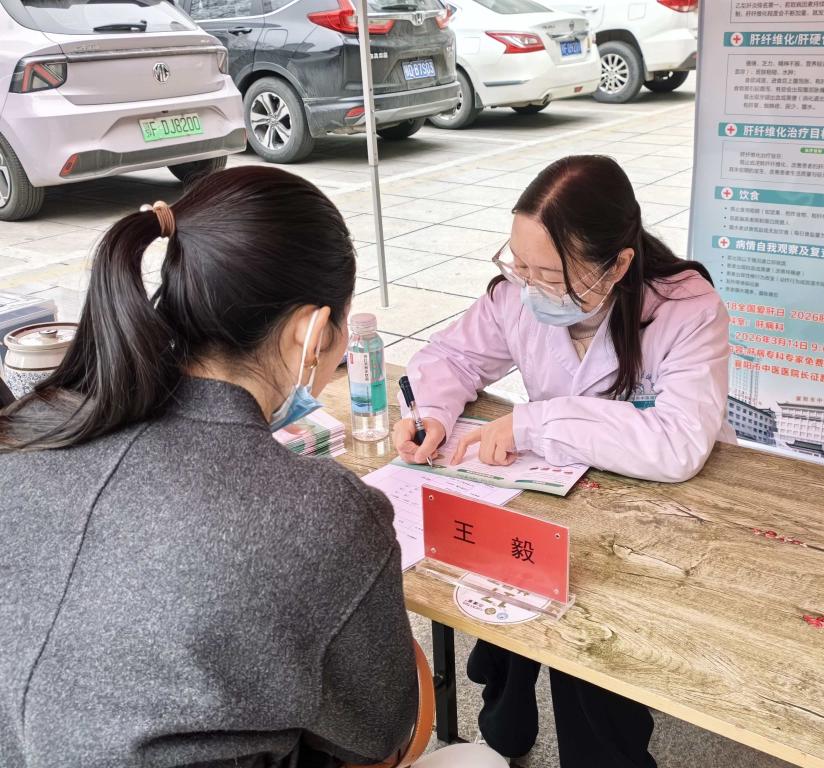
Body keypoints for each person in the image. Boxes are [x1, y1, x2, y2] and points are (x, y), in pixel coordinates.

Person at [0, 167, 505, 768]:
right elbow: (379, 735)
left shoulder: (30, 427)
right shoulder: (323, 510)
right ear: (310, 332)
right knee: (474, 760)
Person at [392, 155, 734, 767]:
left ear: (618, 265)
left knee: (589, 663)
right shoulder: (517, 296)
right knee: (497, 583)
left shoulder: (686, 308)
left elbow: (678, 442)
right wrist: (434, 412)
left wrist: (535, 422)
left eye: (548, 274)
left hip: (651, 513)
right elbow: (452, 357)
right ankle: (505, 716)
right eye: (518, 265)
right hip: (552, 491)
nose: (528, 287)